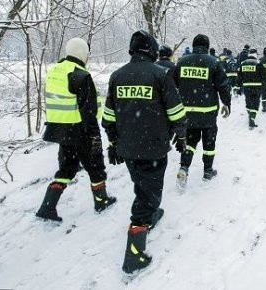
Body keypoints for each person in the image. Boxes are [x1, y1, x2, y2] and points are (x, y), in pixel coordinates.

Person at [101, 30, 187, 274]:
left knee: (142, 184)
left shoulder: (117, 76)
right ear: (151, 49)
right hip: (154, 146)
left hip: (127, 147)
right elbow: (176, 111)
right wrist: (181, 135)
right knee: (148, 194)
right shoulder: (159, 74)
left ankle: (151, 212)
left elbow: (108, 116)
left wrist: (112, 141)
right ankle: (134, 255)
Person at [36, 38, 116, 222]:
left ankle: (47, 207)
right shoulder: (80, 75)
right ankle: (101, 200)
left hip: (60, 131)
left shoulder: (55, 71)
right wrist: (95, 136)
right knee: (95, 166)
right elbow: (88, 112)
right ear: (82, 53)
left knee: (66, 168)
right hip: (80, 131)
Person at [174, 34, 231, 189]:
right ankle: (208, 171)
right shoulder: (213, 62)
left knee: (190, 141)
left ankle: (184, 167)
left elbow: (173, 85)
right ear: (207, 46)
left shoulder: (182, 62)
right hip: (208, 112)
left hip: (187, 112)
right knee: (209, 142)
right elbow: (223, 85)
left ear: (193, 46)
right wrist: (227, 103)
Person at [237, 50, 263, 128]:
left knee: (248, 101)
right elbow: (263, 75)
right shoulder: (258, 63)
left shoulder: (243, 64)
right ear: (255, 55)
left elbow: (239, 77)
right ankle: (252, 118)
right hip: (257, 87)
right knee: (255, 102)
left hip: (247, 87)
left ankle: (250, 114)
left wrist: (238, 86)